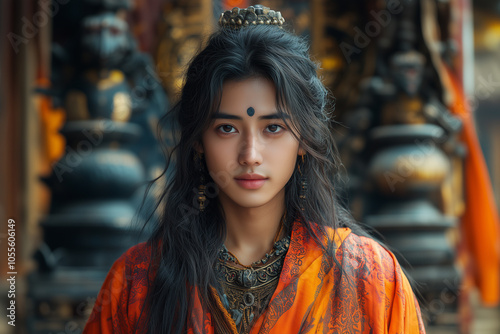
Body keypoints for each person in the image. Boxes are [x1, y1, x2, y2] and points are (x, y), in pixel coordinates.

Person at [83, 5, 425, 334]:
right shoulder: (137, 282)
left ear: (304, 139)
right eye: (227, 129)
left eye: (273, 128)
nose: (249, 155)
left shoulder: (370, 276)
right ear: (199, 140)